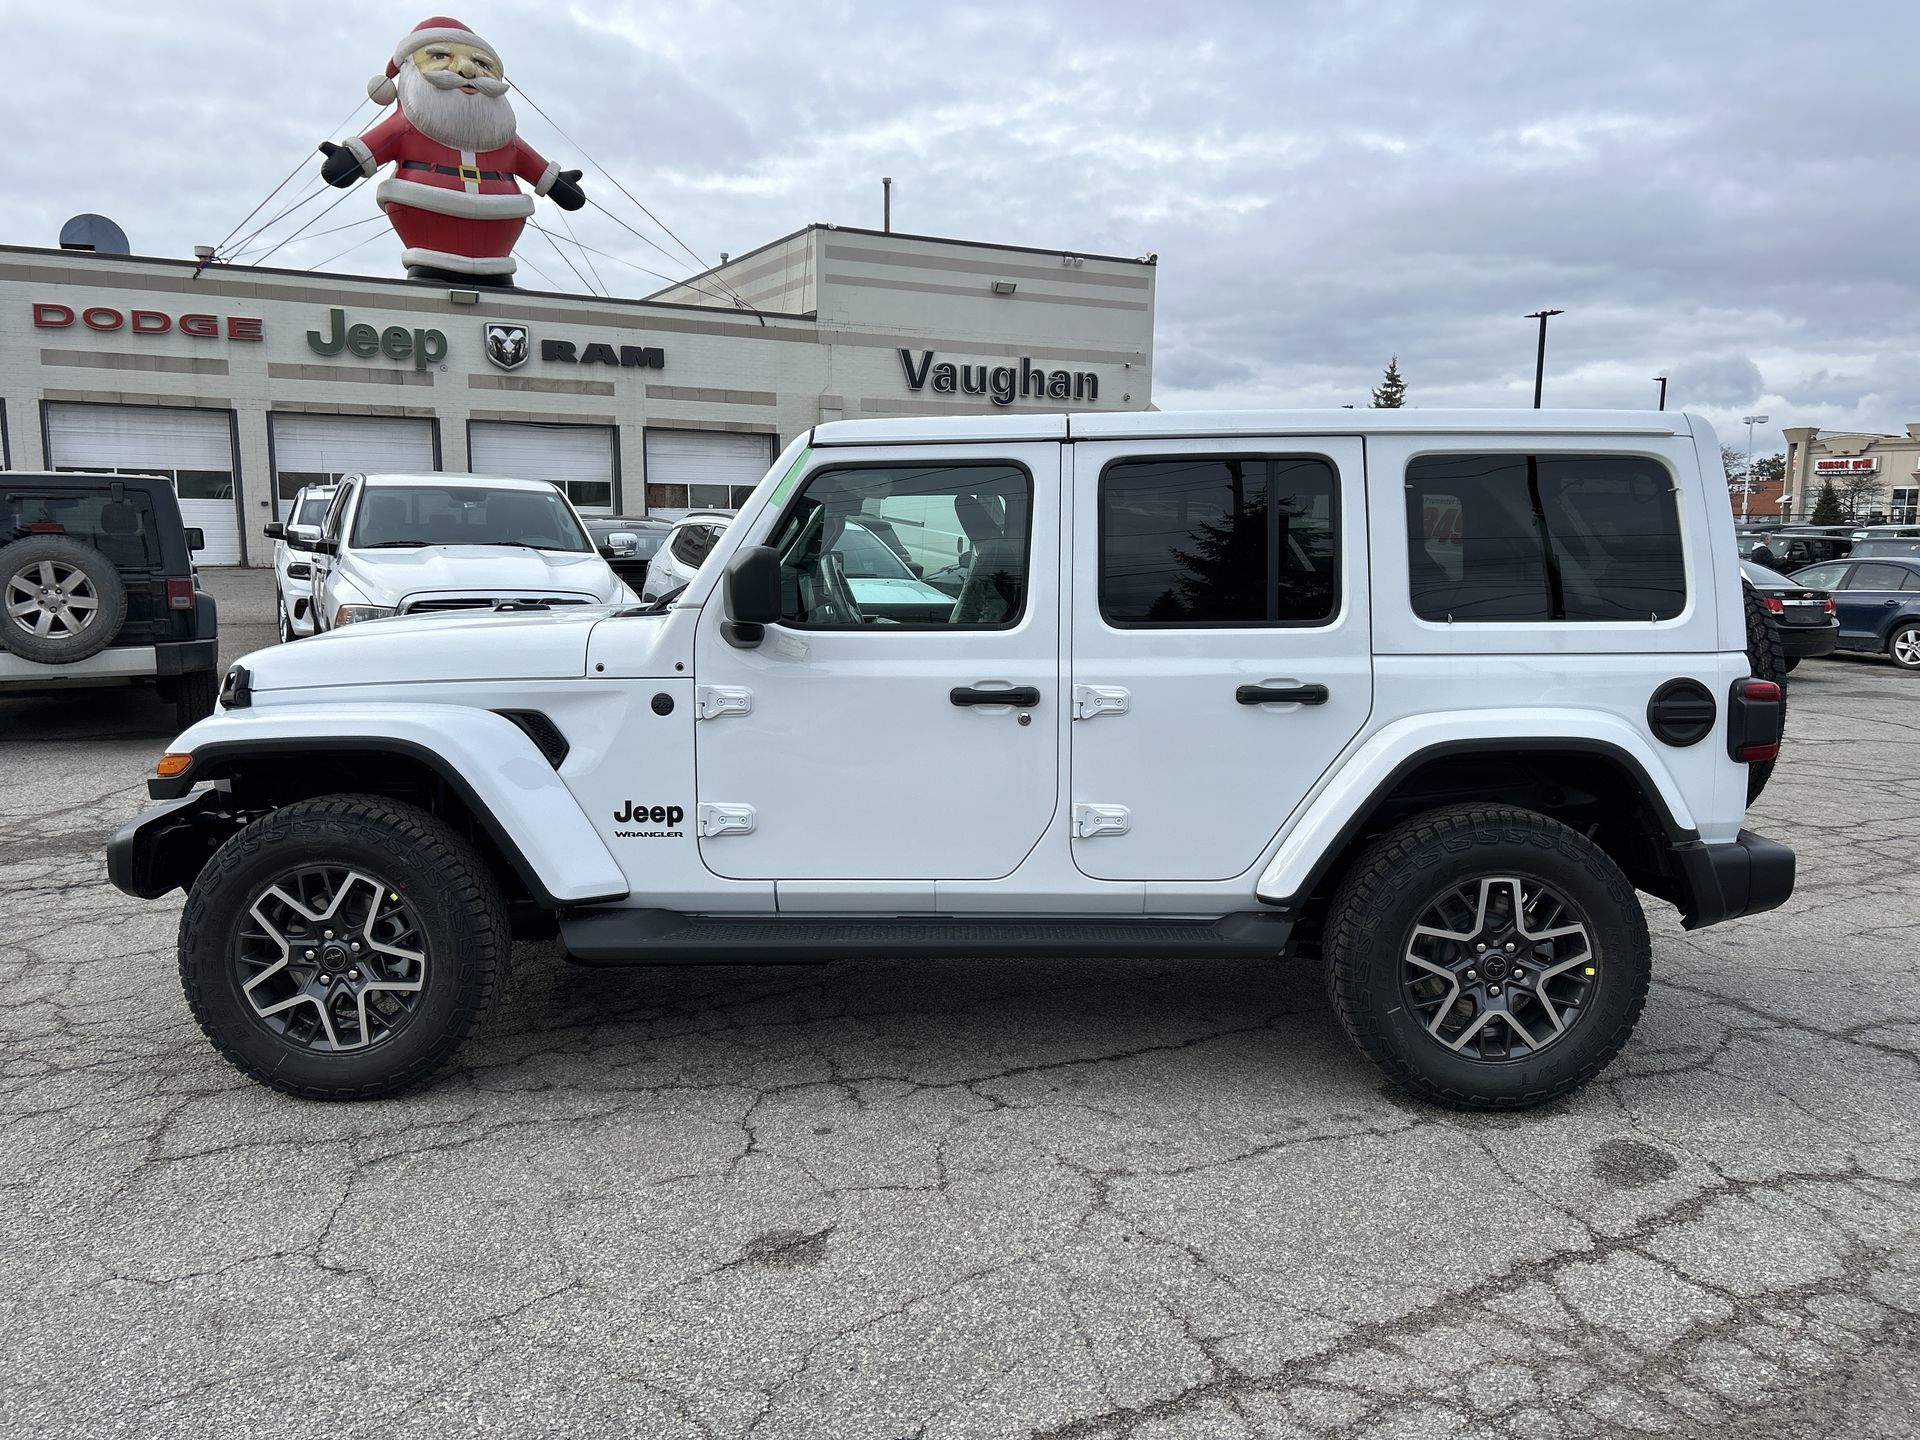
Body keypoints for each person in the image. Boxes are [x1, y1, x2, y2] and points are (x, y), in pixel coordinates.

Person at [318, 16, 585, 285]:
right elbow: (358, 158)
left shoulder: (504, 137)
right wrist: (348, 159)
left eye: (481, 63)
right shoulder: (406, 127)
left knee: (498, 296)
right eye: (440, 56)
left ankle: (496, 282)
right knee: (431, 291)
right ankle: (432, 280)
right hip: (426, 228)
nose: (467, 70)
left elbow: (540, 171)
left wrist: (559, 183)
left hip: (497, 240)